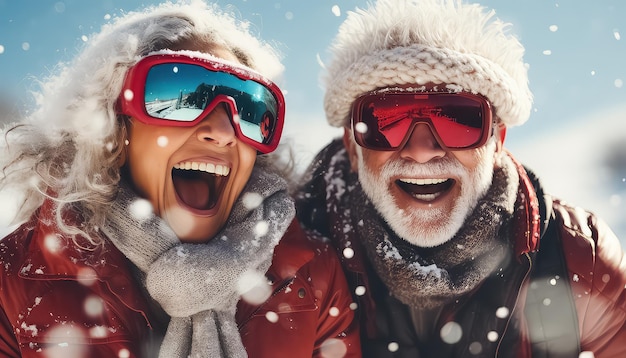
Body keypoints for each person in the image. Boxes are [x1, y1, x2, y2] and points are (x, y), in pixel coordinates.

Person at [0, 1, 360, 357]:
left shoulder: (313, 274)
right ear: (114, 131)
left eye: (249, 110)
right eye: (182, 97)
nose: (222, 132)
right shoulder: (13, 282)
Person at [294, 0, 626, 357]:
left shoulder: (577, 256)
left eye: (458, 120)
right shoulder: (287, 265)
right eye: (386, 123)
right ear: (353, 147)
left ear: (497, 141)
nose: (421, 150)